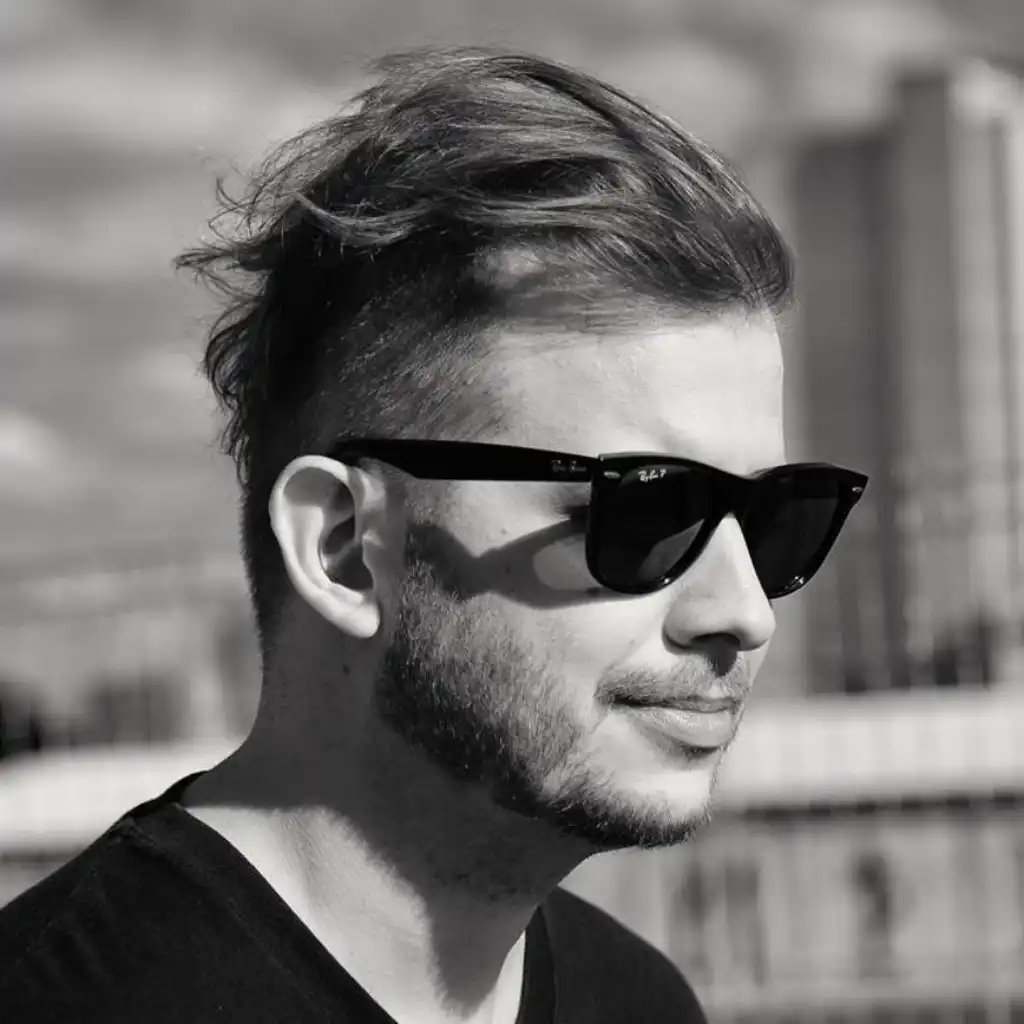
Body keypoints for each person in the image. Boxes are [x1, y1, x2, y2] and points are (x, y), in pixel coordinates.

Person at [0, 46, 867, 1024]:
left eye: (774, 518)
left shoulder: (641, 1001)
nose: (744, 612)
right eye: (644, 513)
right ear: (343, 546)